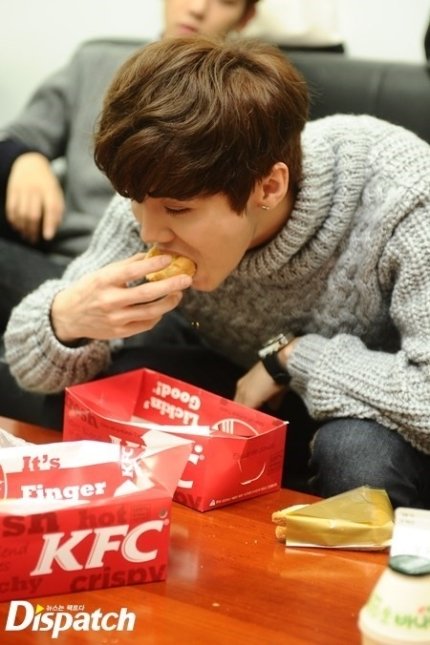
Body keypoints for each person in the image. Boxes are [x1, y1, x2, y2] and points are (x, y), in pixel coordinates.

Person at [5, 36, 430, 510]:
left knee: (356, 455)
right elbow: (27, 364)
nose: (149, 230)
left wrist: (291, 359)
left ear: (268, 187)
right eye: (135, 201)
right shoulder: (156, 194)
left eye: (178, 210)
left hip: (375, 404)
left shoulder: (403, 194)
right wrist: (67, 320)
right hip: (241, 389)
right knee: (97, 387)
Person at [0, 0, 259, 332]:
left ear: (246, 17)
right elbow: (17, 134)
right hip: (63, 259)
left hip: (157, 285)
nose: (197, 8)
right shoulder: (95, 62)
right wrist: (25, 158)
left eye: (225, 1)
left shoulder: (250, 99)